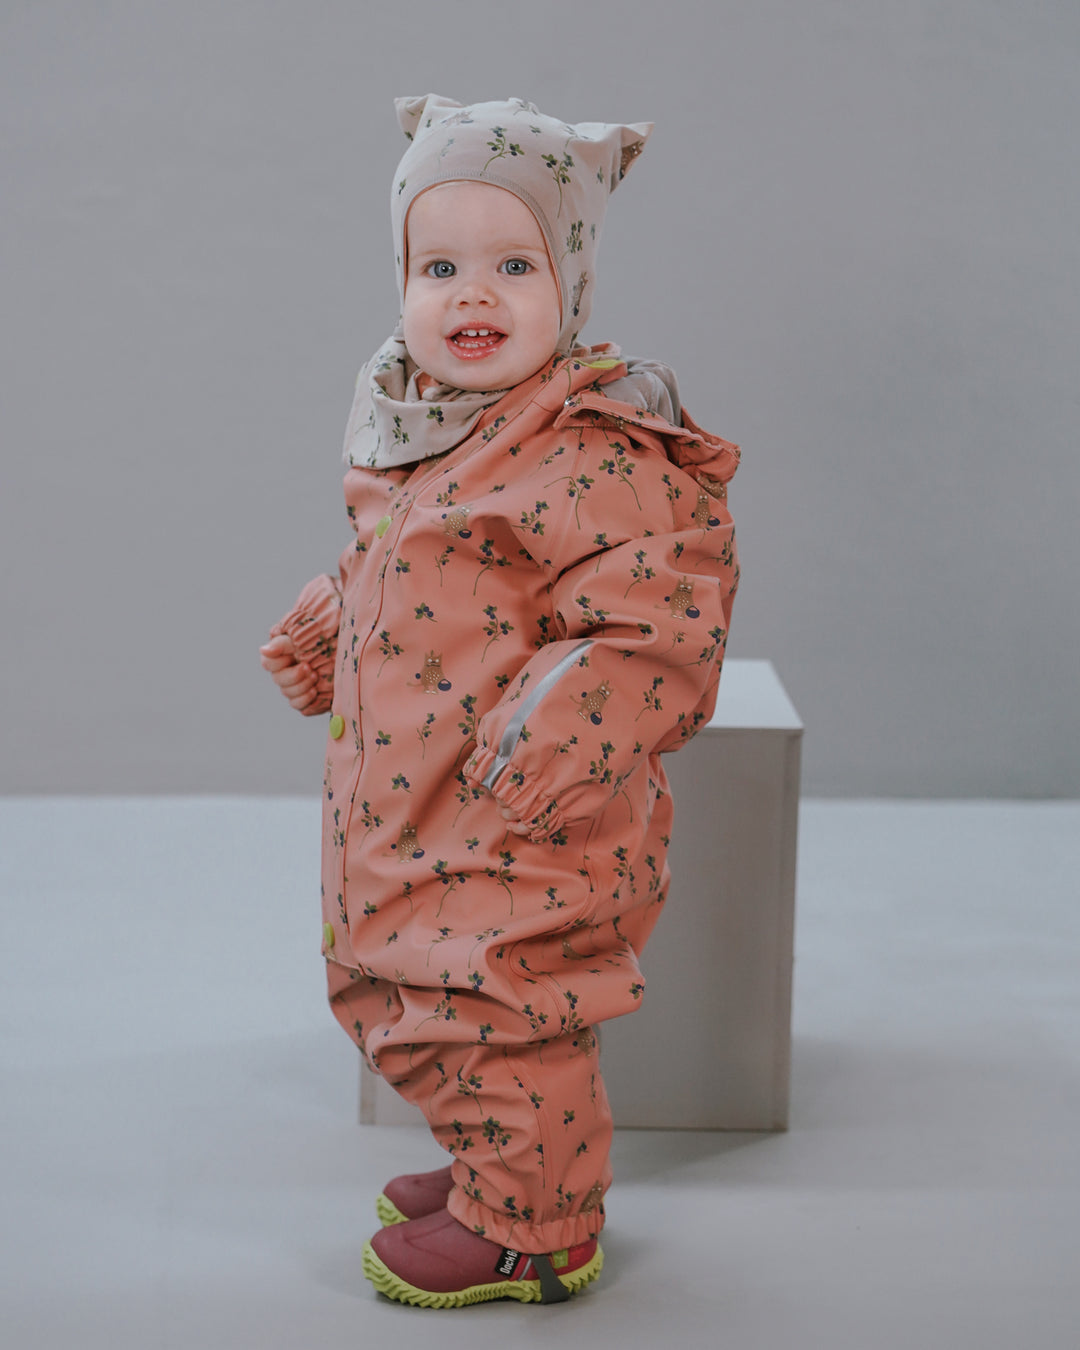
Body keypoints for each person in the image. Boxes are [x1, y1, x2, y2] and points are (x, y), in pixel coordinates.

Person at [260, 94, 740, 1308]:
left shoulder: (595, 450)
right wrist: (331, 622)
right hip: (412, 809)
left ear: (570, 278)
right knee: (404, 991)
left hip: (518, 819)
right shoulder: (437, 431)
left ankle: (536, 1230)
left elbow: (658, 619)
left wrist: (559, 735)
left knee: (498, 1009)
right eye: (439, 267)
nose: (472, 295)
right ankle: (494, 1167)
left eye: (514, 265)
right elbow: (416, 570)